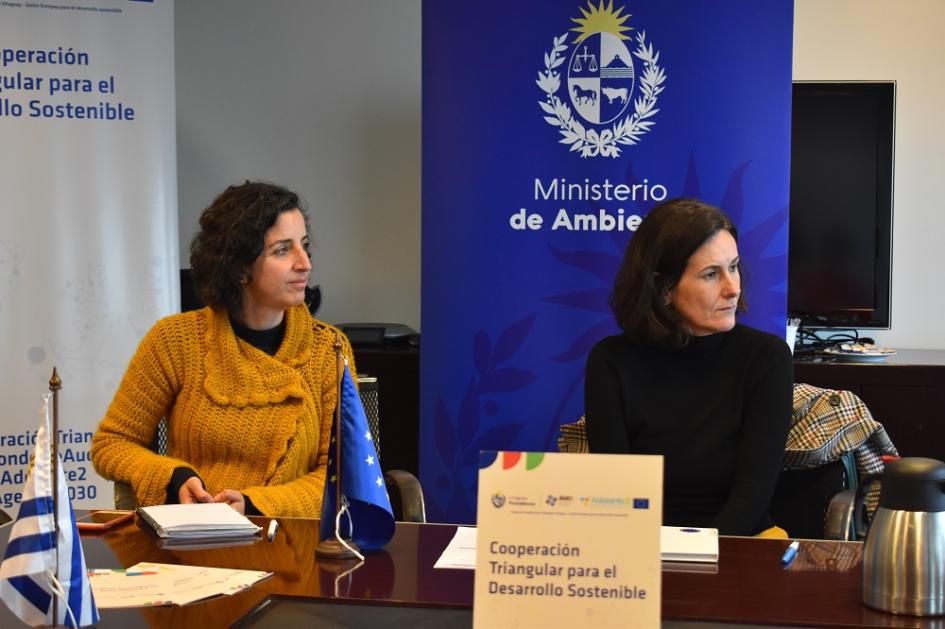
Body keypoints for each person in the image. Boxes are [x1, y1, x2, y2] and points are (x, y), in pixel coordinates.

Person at [91, 181, 354, 518]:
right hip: (194, 545)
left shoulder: (328, 349)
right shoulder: (175, 341)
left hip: (291, 545)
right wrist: (173, 476)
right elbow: (112, 443)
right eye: (282, 250)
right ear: (239, 267)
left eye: (304, 246)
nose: (305, 264)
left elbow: (341, 478)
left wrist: (256, 504)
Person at [584, 198, 792, 536]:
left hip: (741, 542)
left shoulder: (767, 357)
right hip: (641, 544)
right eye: (711, 274)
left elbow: (752, 497)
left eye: (734, 266)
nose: (733, 288)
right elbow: (616, 493)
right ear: (664, 289)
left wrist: (698, 558)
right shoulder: (611, 361)